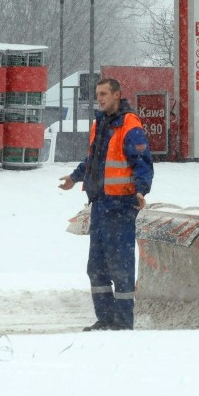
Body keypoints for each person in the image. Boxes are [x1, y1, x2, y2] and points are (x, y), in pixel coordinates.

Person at [59, 78, 154, 331]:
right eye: (97, 93)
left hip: (121, 206)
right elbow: (94, 160)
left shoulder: (129, 126)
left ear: (116, 95)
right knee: (97, 268)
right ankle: (105, 319)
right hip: (100, 205)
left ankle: (122, 323)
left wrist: (141, 190)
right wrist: (74, 177)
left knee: (121, 268)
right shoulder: (100, 124)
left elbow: (143, 162)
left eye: (103, 94)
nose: (99, 98)